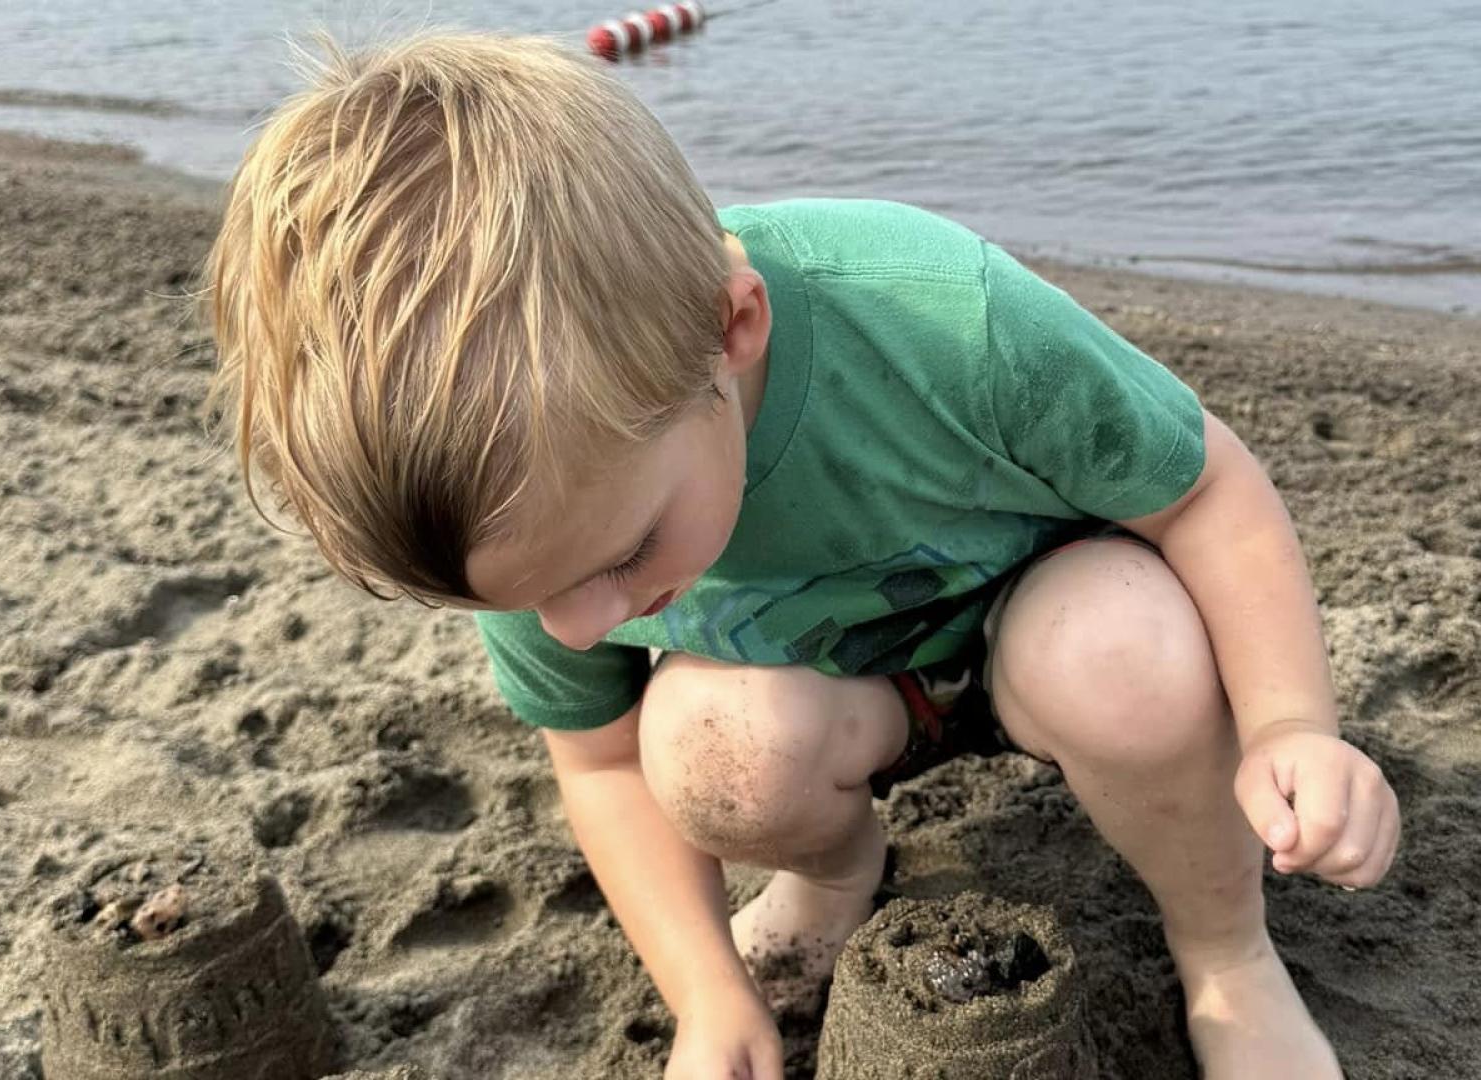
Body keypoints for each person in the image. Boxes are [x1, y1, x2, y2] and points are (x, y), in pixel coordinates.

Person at [205, 31, 1400, 1080]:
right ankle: (835, 874)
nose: (577, 625)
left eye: (624, 557)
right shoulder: (528, 510)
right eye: (524, 601)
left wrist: (1293, 726)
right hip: (842, 697)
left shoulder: (939, 314)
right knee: (704, 748)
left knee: (1114, 648)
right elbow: (604, 761)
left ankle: (1225, 953)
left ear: (732, 330)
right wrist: (704, 992)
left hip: (1053, 631)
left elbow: (1208, 493)